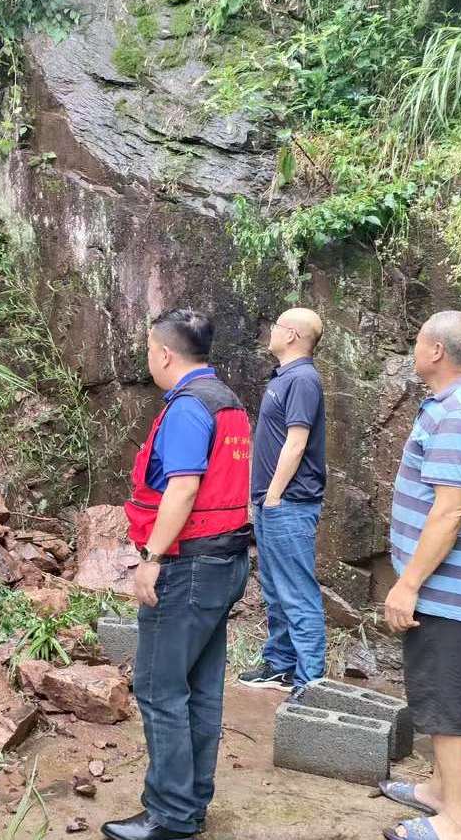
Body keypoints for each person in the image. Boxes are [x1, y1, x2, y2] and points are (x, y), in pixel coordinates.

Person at [102, 309, 253, 840]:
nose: (149, 359)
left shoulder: (189, 408)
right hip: (224, 560)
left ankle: (168, 814)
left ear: (165, 354)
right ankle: (191, 804)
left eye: (149, 350)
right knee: (201, 687)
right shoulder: (227, 401)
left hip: (189, 565)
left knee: (159, 687)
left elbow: (184, 489)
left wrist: (153, 558)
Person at [378, 311, 461, 840]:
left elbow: (450, 510)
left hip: (443, 583)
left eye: (417, 341)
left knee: (443, 693)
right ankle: (438, 789)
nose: (413, 349)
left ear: (435, 351)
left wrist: (408, 583)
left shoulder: (458, 413)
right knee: (434, 684)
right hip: (450, 579)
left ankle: (458, 820)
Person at [239, 307, 327, 697]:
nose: (270, 331)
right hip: (272, 502)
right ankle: (280, 665)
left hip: (289, 503)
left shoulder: (303, 379)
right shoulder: (285, 377)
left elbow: (296, 442)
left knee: (296, 593)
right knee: (275, 591)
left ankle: (309, 683)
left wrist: (274, 495)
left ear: (291, 335)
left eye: (276, 326)